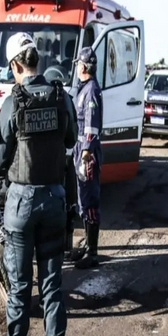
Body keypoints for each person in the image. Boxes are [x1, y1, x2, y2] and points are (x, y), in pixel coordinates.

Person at [0, 32, 79, 336]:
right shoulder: (62, 97)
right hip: (54, 200)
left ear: (15, 66)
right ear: (37, 61)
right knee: (53, 289)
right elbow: (72, 140)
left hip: (21, 207)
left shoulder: (13, 102)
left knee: (19, 292)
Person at [69, 47, 103, 269]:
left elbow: (91, 125)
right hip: (81, 148)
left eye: (77, 65)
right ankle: (88, 247)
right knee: (83, 200)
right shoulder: (84, 89)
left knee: (89, 201)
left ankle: (93, 252)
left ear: (83, 66)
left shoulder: (90, 90)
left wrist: (85, 155)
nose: (76, 68)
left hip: (86, 152)